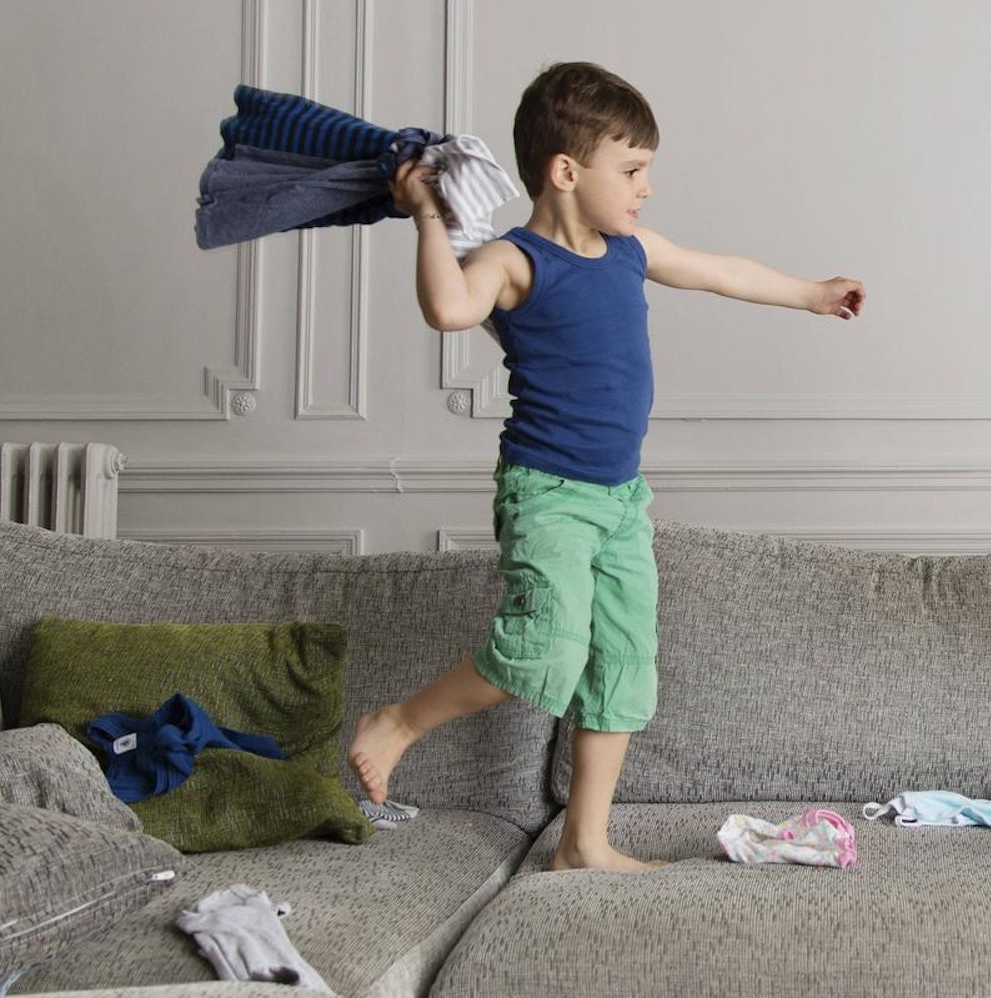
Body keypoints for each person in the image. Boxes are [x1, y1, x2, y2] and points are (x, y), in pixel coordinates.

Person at [347, 61, 865, 872]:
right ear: (565, 171)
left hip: (623, 502)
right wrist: (424, 214)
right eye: (632, 170)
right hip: (548, 496)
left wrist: (811, 292)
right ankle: (400, 722)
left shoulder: (630, 250)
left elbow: (718, 269)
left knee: (623, 667)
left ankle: (583, 844)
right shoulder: (514, 262)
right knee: (543, 652)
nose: (646, 188)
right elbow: (448, 308)